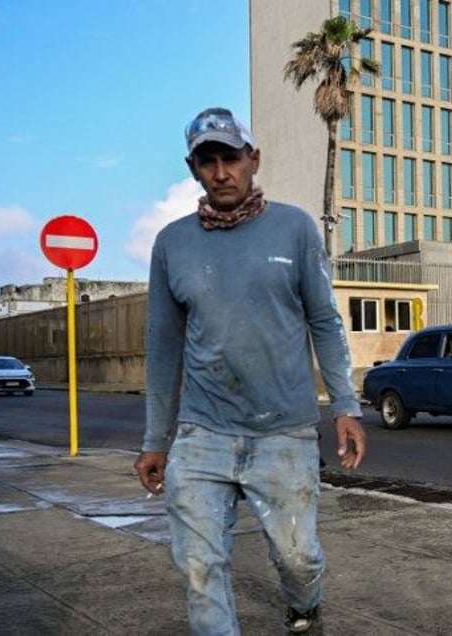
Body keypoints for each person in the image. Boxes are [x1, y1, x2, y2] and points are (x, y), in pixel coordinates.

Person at [134, 107, 366, 635]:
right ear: (193, 168)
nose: (221, 172)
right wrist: (155, 440)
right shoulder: (172, 244)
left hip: (283, 432)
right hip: (202, 435)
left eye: (231, 158)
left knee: (299, 560)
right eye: (207, 161)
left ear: (253, 159)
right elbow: (164, 347)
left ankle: (304, 609)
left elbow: (325, 322)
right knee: (199, 569)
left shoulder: (295, 229)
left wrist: (346, 406)